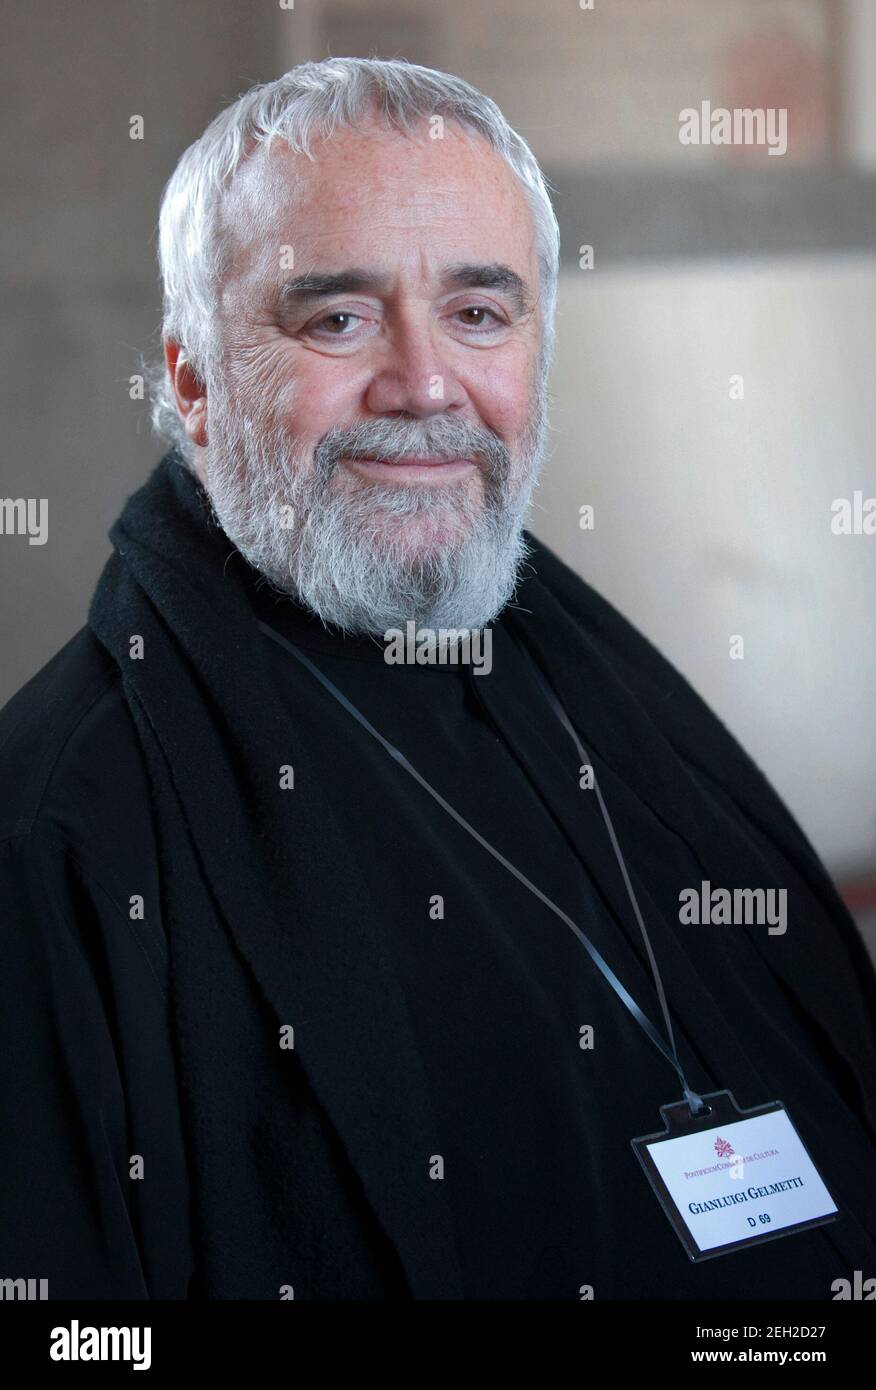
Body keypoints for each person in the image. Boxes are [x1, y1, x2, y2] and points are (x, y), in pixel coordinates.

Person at [1, 56, 875, 1302]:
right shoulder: (55, 842)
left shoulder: (606, 697)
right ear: (193, 383)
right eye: (337, 319)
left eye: (479, 312)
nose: (424, 387)